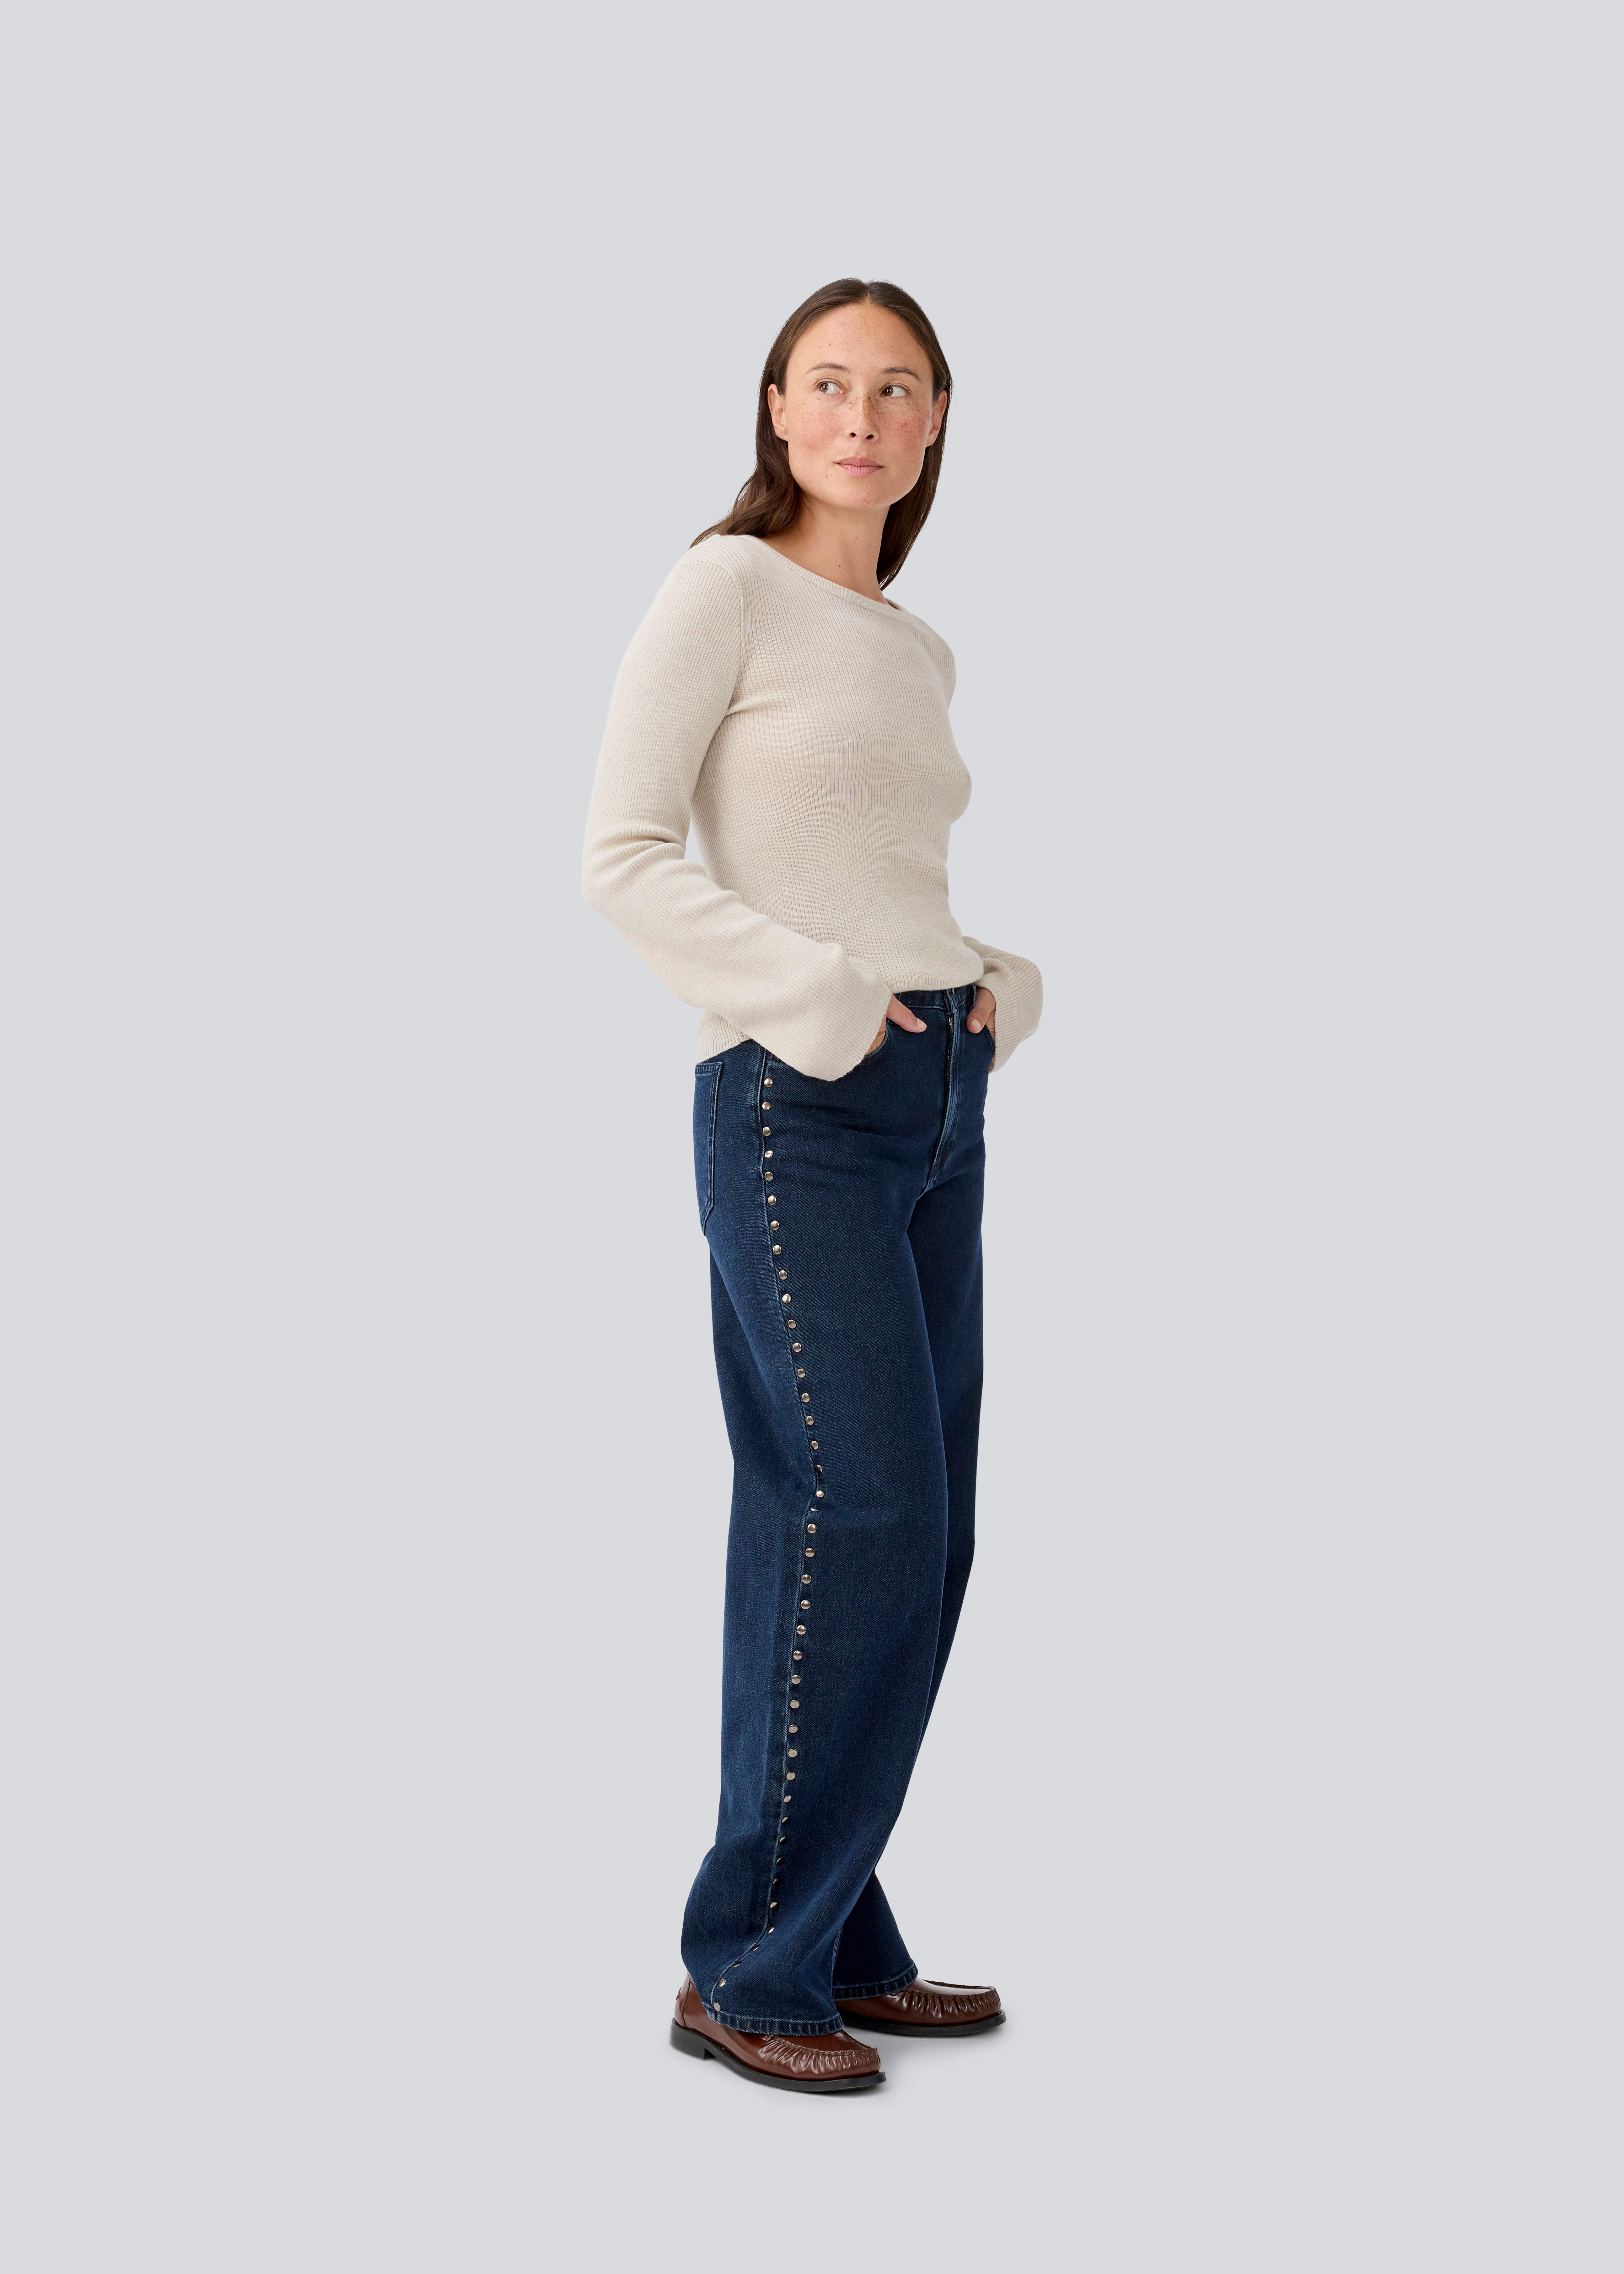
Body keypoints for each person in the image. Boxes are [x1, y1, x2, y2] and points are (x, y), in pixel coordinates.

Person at [581, 278, 1042, 2094]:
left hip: (938, 1102)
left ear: (934, 426)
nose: (863, 414)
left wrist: (989, 986)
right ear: (777, 409)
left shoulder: (911, 646)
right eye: (829, 381)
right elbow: (621, 856)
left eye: (899, 387)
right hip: (793, 1099)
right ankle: (746, 1963)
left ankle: (834, 1928)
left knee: (919, 1527)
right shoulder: (722, 588)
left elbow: (880, 867)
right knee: (859, 1509)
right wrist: (829, 1001)